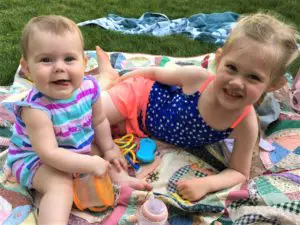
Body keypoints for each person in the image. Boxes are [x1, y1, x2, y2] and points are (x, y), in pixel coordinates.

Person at [96, 12, 299, 202]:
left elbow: (239, 172)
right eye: (232, 68)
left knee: (90, 140)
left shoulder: (245, 124)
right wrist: (122, 80)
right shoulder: (198, 79)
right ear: (219, 61)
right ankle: (107, 79)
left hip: (140, 128)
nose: (237, 82)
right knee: (83, 117)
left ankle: (119, 176)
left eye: (253, 77)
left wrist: (206, 184)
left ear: (272, 85)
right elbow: (155, 73)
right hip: (137, 97)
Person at [7, 15, 151, 225]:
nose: (59, 67)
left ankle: (120, 180)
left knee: (105, 155)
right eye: (46, 60)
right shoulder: (35, 109)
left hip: (74, 146)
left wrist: (109, 148)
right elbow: (49, 153)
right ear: (27, 68)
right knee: (60, 185)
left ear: (84, 63)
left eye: (69, 59)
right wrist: (89, 164)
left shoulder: (89, 88)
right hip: (34, 159)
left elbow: (99, 121)